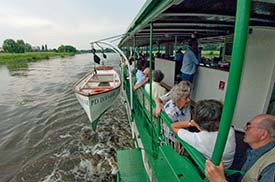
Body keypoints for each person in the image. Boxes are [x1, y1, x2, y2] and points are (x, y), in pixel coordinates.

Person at [205, 114, 275, 182]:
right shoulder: (253, 151)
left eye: (249, 127)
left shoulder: (272, 166)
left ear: (263, 134)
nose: (244, 129)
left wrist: (219, 180)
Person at [171, 100, 236, 169]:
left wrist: (191, 123)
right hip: (227, 165)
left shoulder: (199, 139)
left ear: (198, 124)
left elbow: (173, 126)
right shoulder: (230, 130)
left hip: (212, 170)